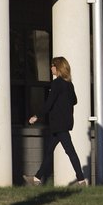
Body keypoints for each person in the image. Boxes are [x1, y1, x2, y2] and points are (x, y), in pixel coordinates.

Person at [23, 56, 87, 186]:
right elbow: (74, 100)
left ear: (58, 67)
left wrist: (36, 116)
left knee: (70, 151)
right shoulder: (69, 84)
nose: (51, 67)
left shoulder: (57, 83)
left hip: (59, 124)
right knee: (49, 151)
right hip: (63, 123)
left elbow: (49, 103)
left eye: (52, 65)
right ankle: (36, 178)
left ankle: (81, 180)